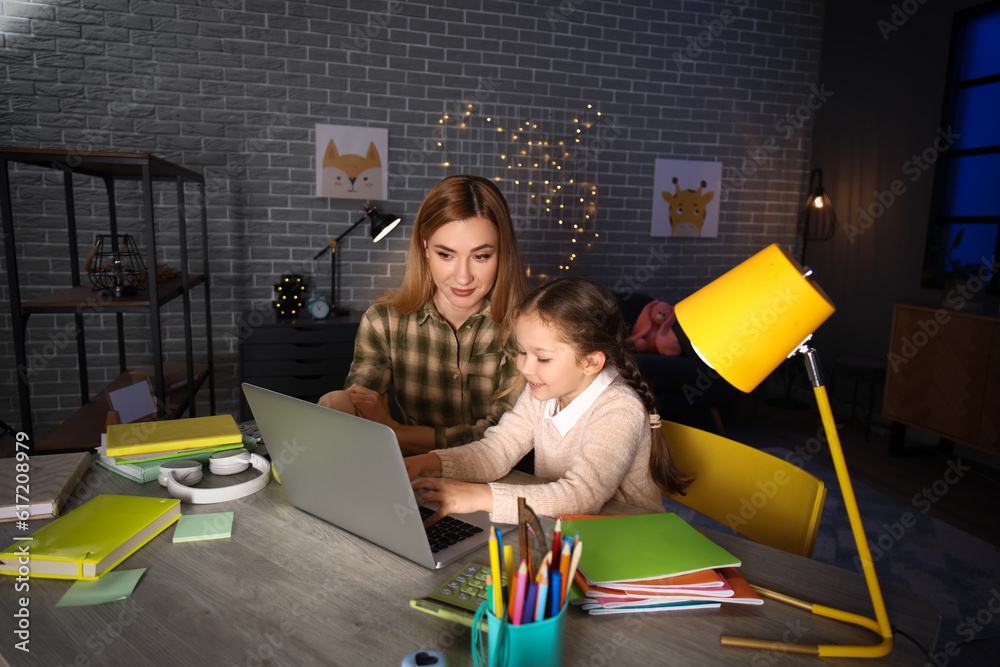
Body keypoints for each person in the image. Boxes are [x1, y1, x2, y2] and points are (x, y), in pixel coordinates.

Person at [404, 277, 692, 526]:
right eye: (522, 352)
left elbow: (582, 496)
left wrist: (481, 497)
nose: (525, 368)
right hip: (563, 530)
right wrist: (425, 463)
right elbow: (495, 452)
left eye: (542, 358)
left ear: (591, 362)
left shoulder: (619, 408)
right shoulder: (543, 391)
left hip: (629, 541)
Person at [318, 174, 530, 454]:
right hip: (412, 476)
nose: (463, 277)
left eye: (481, 256)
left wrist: (399, 434)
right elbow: (362, 411)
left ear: (502, 254)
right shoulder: (384, 320)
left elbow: (505, 437)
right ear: (425, 248)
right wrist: (341, 405)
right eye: (446, 255)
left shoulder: (527, 326)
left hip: (498, 485)